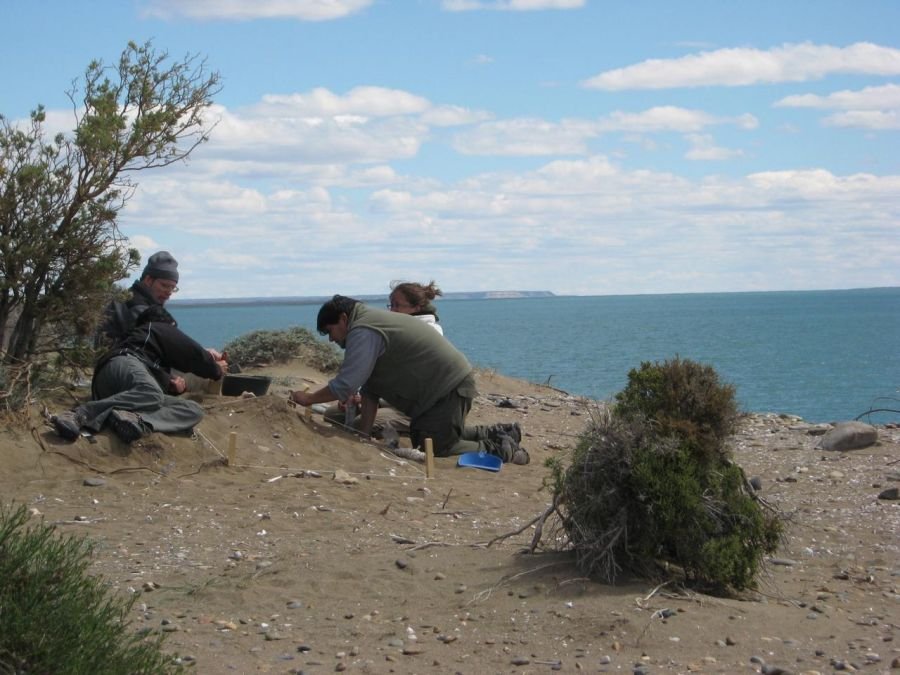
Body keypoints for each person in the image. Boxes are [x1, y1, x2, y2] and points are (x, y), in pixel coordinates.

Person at [290, 295, 528, 464]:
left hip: (448, 387)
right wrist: (362, 435)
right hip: (442, 389)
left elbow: (346, 384)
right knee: (426, 436)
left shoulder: (363, 330)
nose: (331, 340)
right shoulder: (369, 324)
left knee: (436, 447)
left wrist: (308, 399)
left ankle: (502, 449)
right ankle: (498, 431)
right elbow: (371, 388)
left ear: (343, 319)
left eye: (330, 332)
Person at [52, 305, 227, 444]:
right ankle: (79, 414)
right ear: (168, 326)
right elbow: (191, 353)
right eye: (174, 330)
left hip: (122, 392)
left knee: (193, 410)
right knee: (152, 393)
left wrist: (172, 387)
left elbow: (149, 383)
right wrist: (215, 369)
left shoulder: (149, 346)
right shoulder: (155, 327)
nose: (174, 333)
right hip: (120, 364)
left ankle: (133, 419)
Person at [97, 251, 181, 347]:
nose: (169, 292)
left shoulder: (129, 296)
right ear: (148, 280)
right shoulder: (138, 307)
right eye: (164, 285)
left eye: (173, 288)